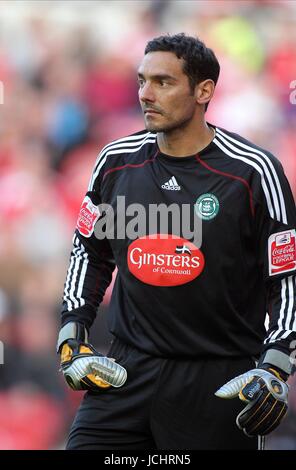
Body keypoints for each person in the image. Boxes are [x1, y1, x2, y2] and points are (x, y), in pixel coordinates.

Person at [57, 33, 296, 450]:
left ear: (204, 91)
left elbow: (287, 279)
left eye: (163, 82)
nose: (145, 94)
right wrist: (71, 335)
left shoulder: (255, 172)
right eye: (141, 81)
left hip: (219, 384)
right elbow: (88, 253)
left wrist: (275, 365)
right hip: (125, 374)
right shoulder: (115, 162)